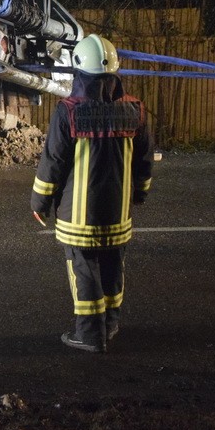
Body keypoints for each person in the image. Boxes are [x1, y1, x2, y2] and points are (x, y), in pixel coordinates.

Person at [31, 34, 153, 353]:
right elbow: (143, 161)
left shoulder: (68, 111)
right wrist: (139, 193)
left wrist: (40, 202)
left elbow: (54, 162)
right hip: (117, 213)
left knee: (83, 271)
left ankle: (89, 335)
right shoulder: (135, 110)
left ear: (78, 72)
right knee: (113, 265)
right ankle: (110, 324)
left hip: (78, 216)